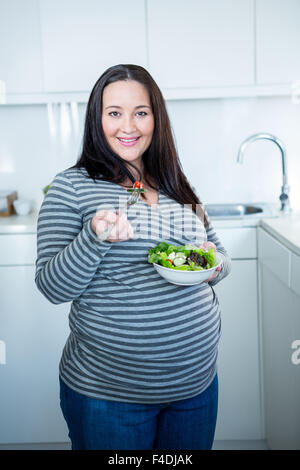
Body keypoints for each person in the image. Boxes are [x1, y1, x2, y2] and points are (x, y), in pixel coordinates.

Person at [35, 64, 231, 450]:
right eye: (114, 113)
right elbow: (51, 287)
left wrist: (215, 265)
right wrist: (93, 238)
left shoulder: (175, 180)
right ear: (97, 119)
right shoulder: (71, 187)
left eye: (141, 112)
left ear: (156, 118)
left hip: (195, 386)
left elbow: (218, 255)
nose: (129, 126)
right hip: (110, 396)